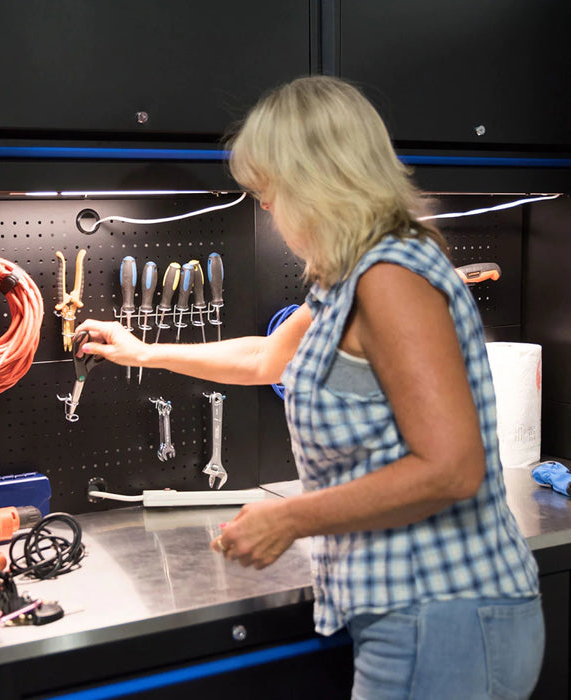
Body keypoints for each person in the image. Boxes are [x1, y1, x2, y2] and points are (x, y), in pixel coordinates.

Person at [75, 76, 544, 699]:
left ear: (322, 179)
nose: (264, 206)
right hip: (417, 614)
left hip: (446, 611)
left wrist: (290, 518)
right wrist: (143, 350)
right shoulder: (344, 281)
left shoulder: (392, 277)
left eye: (271, 189)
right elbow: (266, 357)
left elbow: (452, 468)